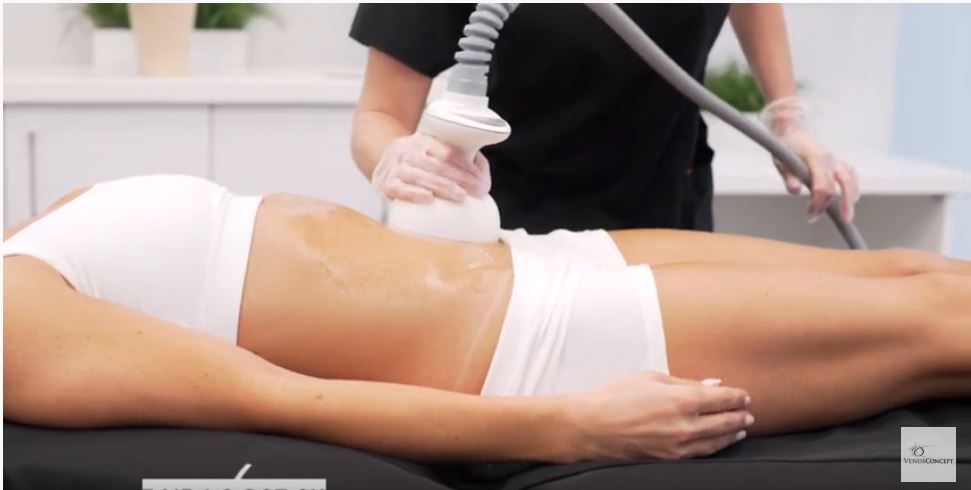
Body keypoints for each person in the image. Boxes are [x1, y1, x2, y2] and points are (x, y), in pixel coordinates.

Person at [3, 175, 968, 463]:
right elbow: (285, 401)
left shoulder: (30, 234)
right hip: (540, 344)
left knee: (914, 270)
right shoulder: (14, 327)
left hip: (535, 261)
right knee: (941, 322)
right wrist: (568, 426)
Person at [349, 4, 860, 234]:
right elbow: (379, 115)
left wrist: (786, 116)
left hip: (668, 213)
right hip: (509, 229)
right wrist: (397, 158)